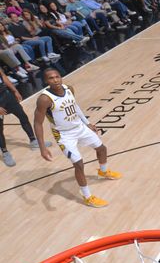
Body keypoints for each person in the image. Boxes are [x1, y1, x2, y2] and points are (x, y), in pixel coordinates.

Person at [33, 68, 121, 207]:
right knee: (79, 164)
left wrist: (87, 123)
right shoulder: (44, 99)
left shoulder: (69, 89)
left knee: (102, 148)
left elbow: (75, 106)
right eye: (51, 78)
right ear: (46, 81)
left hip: (79, 127)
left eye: (57, 76)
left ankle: (103, 172)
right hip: (64, 135)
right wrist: (42, 147)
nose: (55, 80)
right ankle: (87, 197)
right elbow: (38, 123)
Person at [0, 68, 49, 167]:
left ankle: (33, 141)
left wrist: (15, 90)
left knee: (23, 116)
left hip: (5, 95)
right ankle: (5, 153)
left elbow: (4, 77)